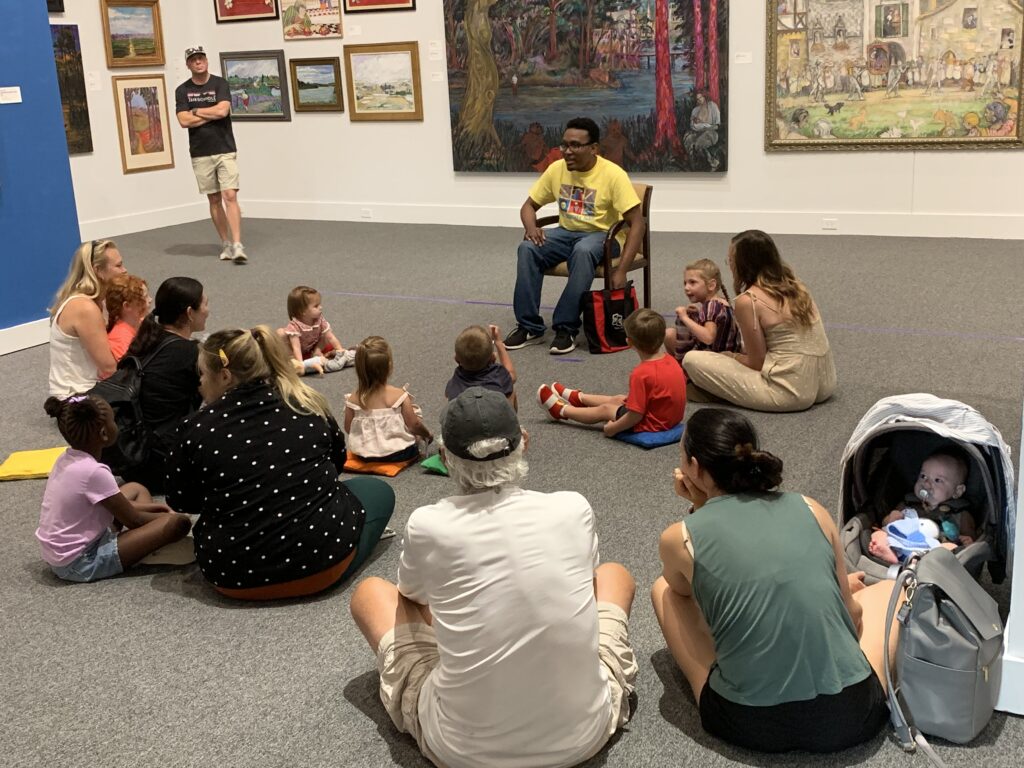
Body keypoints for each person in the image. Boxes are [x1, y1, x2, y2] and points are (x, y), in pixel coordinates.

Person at [350, 387, 638, 768]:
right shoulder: (573, 508)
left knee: (372, 593)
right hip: (586, 736)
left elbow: (414, 597)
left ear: (445, 459)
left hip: (462, 752)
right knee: (612, 574)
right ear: (525, 443)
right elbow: (583, 580)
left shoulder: (429, 525)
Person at [651, 408, 894, 753]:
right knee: (887, 592)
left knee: (662, 589)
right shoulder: (811, 508)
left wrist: (699, 509)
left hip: (746, 724)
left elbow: (685, 593)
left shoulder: (680, 537)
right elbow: (853, 619)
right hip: (849, 719)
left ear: (694, 466)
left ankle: (712, 679)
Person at [165, 327, 395, 600]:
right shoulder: (306, 405)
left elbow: (180, 499)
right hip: (323, 565)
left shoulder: (195, 427)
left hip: (231, 576)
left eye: (202, 374)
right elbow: (336, 463)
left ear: (225, 376)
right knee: (377, 490)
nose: (199, 383)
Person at [505, 116, 645, 355]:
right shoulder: (556, 169)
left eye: (575, 146)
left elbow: (637, 223)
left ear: (593, 149)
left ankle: (566, 327)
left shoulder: (613, 174)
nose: (567, 151)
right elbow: (528, 206)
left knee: (583, 250)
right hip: (566, 232)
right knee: (527, 248)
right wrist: (531, 229)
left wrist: (621, 270)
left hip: (604, 235)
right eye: (564, 145)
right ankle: (529, 326)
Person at [37, 394, 192, 583]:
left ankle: (143, 544)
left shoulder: (66, 458)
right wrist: (167, 515)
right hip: (79, 562)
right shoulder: (94, 472)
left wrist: (151, 511)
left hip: (64, 552)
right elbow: (135, 520)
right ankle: (146, 547)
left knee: (136, 488)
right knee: (178, 523)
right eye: (114, 420)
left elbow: (117, 506)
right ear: (104, 433)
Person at [683, 230, 837, 412]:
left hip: (789, 392)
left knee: (691, 359)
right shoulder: (796, 285)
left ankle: (713, 392)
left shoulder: (749, 300)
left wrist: (728, 356)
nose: (730, 266)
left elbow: (757, 363)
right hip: (825, 382)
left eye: (731, 261)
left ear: (743, 264)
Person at [118, 277, 208, 493]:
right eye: (205, 304)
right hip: (162, 466)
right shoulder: (189, 353)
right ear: (189, 312)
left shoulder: (145, 339)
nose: (207, 310)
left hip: (130, 456)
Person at [538, 308, 685, 437]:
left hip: (654, 424)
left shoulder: (641, 373)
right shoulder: (671, 360)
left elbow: (635, 415)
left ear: (629, 343)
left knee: (606, 409)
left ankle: (562, 411)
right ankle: (579, 398)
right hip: (668, 417)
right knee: (620, 399)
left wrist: (613, 428)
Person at [174, 45, 247, 264]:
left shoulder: (220, 84)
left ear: (206, 60)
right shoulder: (182, 90)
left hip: (225, 148)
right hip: (200, 151)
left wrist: (196, 111)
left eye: (201, 58)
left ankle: (237, 244)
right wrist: (209, 113)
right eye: (194, 59)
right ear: (188, 64)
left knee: (230, 196)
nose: (198, 62)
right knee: (214, 199)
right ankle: (225, 242)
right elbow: (183, 121)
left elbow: (223, 110)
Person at [869, 448, 976, 565]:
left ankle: (917, 562)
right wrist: (891, 518)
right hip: (901, 543)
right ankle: (889, 554)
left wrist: (967, 541)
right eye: (923, 476)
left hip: (933, 552)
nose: (926, 483)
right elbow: (885, 524)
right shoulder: (908, 504)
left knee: (950, 548)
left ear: (957, 491)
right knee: (879, 534)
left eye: (937, 480)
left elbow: (969, 538)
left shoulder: (960, 514)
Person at [48, 240, 128, 397]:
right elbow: (109, 368)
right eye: (118, 266)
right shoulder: (84, 308)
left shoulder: (100, 299)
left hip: (92, 387)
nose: (125, 271)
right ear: (98, 270)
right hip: (77, 398)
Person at [344, 336, 433, 462]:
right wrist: (427, 435)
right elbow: (414, 425)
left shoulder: (353, 399)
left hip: (363, 455)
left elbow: (349, 428)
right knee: (414, 416)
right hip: (400, 453)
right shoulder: (399, 395)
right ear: (389, 366)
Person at [665, 258, 740, 364]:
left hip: (715, 361)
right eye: (685, 283)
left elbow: (708, 337)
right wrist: (698, 314)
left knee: (669, 335)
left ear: (711, 285)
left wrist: (684, 317)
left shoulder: (711, 306)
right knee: (670, 334)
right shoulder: (720, 302)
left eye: (692, 282)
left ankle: (683, 373)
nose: (686, 287)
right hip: (724, 356)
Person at [278, 285, 354, 376]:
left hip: (312, 346)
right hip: (297, 352)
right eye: (316, 306)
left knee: (326, 334)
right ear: (302, 311)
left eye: (320, 304)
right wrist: (301, 364)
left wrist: (340, 350)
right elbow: (296, 347)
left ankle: (317, 352)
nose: (320, 307)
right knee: (280, 333)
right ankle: (295, 360)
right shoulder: (294, 326)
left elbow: (330, 336)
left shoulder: (319, 319)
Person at [445, 324, 517, 409]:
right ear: (493, 358)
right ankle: (512, 421)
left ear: (456, 359)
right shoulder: (499, 374)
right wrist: (498, 342)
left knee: (451, 401)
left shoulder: (455, 380)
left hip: (465, 420)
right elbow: (512, 376)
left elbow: (447, 394)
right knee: (510, 390)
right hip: (497, 420)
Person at [104, 274, 149, 362]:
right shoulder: (120, 340)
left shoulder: (143, 324)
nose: (150, 300)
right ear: (127, 306)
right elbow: (129, 369)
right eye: (144, 298)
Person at [682, 92, 722, 171]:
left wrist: (706, 127)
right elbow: (692, 126)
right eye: (697, 99)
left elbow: (717, 125)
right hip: (697, 132)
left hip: (711, 132)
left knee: (699, 142)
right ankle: (694, 163)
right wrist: (695, 122)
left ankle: (711, 161)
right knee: (688, 139)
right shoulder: (695, 110)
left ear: (705, 97)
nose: (699, 100)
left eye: (701, 98)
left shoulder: (713, 107)